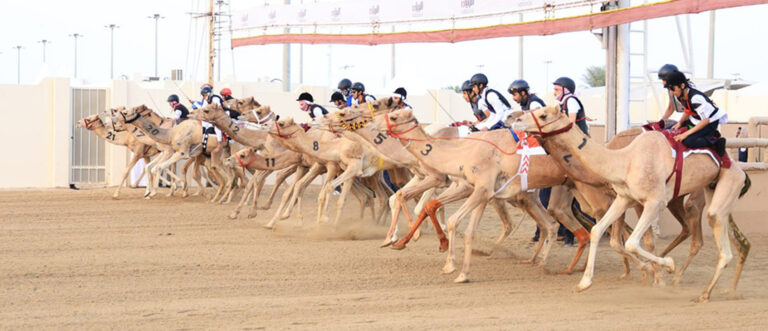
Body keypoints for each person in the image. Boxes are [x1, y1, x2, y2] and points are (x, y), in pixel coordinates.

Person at [666, 71, 728, 156]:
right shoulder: (680, 95)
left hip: (709, 123)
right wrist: (680, 123)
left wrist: (685, 134)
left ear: (682, 86)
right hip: (696, 119)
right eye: (670, 89)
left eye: (673, 89)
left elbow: (705, 120)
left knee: (688, 141)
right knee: (668, 130)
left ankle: (714, 140)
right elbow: (687, 110)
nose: (671, 92)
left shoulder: (696, 98)